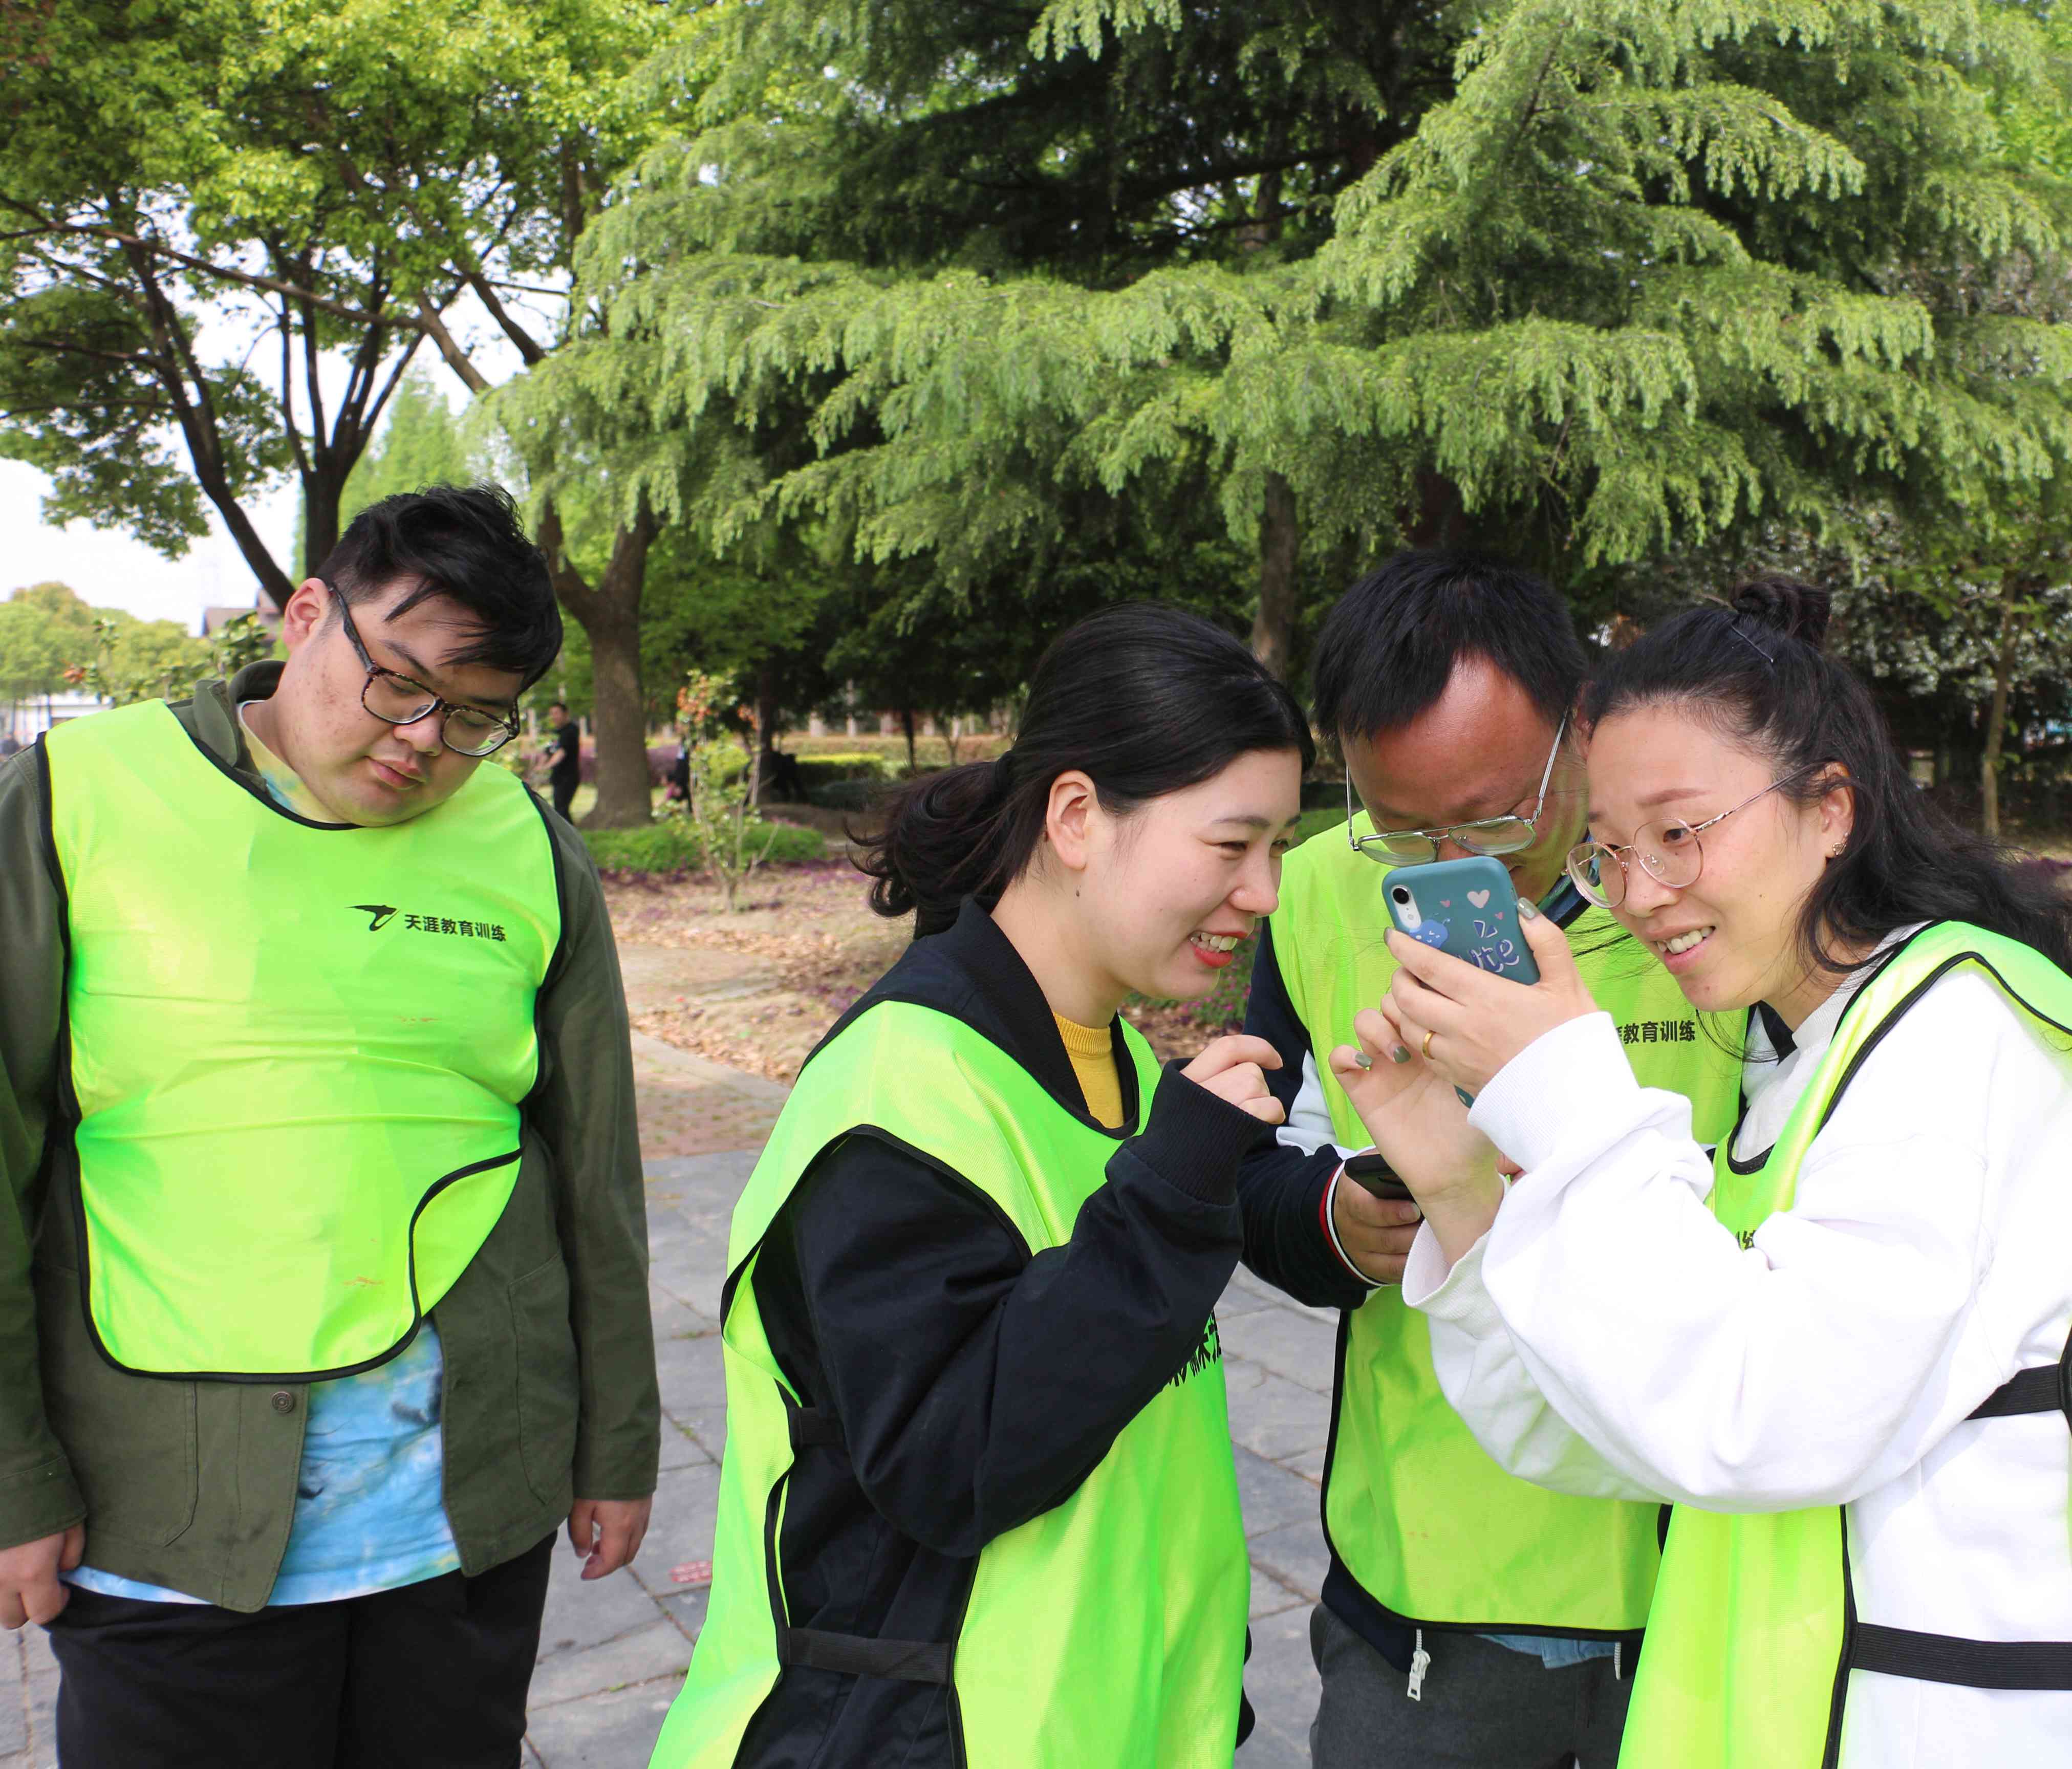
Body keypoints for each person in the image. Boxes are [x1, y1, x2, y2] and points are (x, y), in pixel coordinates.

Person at [1336, 579, 2072, 1768]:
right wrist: (1459, 1189)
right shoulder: (1796, 1048)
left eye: (1680, 830)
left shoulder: (1960, 1035)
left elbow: (1755, 1416)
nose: (1640, 892)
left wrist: (1566, 1085)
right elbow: (1622, 1418)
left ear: (1829, 809)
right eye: (1606, 849)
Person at [0, 485, 660, 1768]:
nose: (427, 739)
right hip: (168, 1526)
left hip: (466, 1510)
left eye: (477, 717)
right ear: (310, 614)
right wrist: (12, 1468)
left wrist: (619, 1440)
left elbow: (596, 1167)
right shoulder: (80, 795)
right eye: (401, 683)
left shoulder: (523, 839)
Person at [652, 605, 1309, 1768]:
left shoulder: (1101, 1049)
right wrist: (1169, 1193)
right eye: (1229, 843)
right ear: (1075, 816)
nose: (1262, 891)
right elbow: (955, 1459)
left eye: (1278, 846)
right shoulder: (899, 1093)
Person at [1236, 553, 1742, 1767]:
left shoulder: (1706, 888)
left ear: (1581, 728)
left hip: (1707, 1558)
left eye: (1497, 812)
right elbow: (1250, 1170)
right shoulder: (1311, 896)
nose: (1457, 858)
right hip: (1434, 1580)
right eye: (1404, 824)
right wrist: (1326, 1219)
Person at [541, 697, 584, 821]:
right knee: (559, 808)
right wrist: (539, 766)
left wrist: (546, 766)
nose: (554, 717)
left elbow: (561, 753)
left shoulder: (571, 730)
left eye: (556, 713)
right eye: (552, 714)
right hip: (557, 777)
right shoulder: (554, 733)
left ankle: (571, 837)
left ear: (565, 714)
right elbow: (547, 752)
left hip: (568, 777)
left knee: (562, 810)